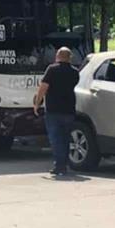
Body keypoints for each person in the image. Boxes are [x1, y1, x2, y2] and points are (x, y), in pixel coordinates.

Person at [33, 47, 80, 177]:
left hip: (54, 110)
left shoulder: (52, 69)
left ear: (57, 56)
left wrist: (37, 103)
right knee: (65, 138)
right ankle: (63, 164)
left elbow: (43, 87)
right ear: (70, 57)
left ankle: (59, 166)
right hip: (69, 109)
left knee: (55, 139)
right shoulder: (75, 72)